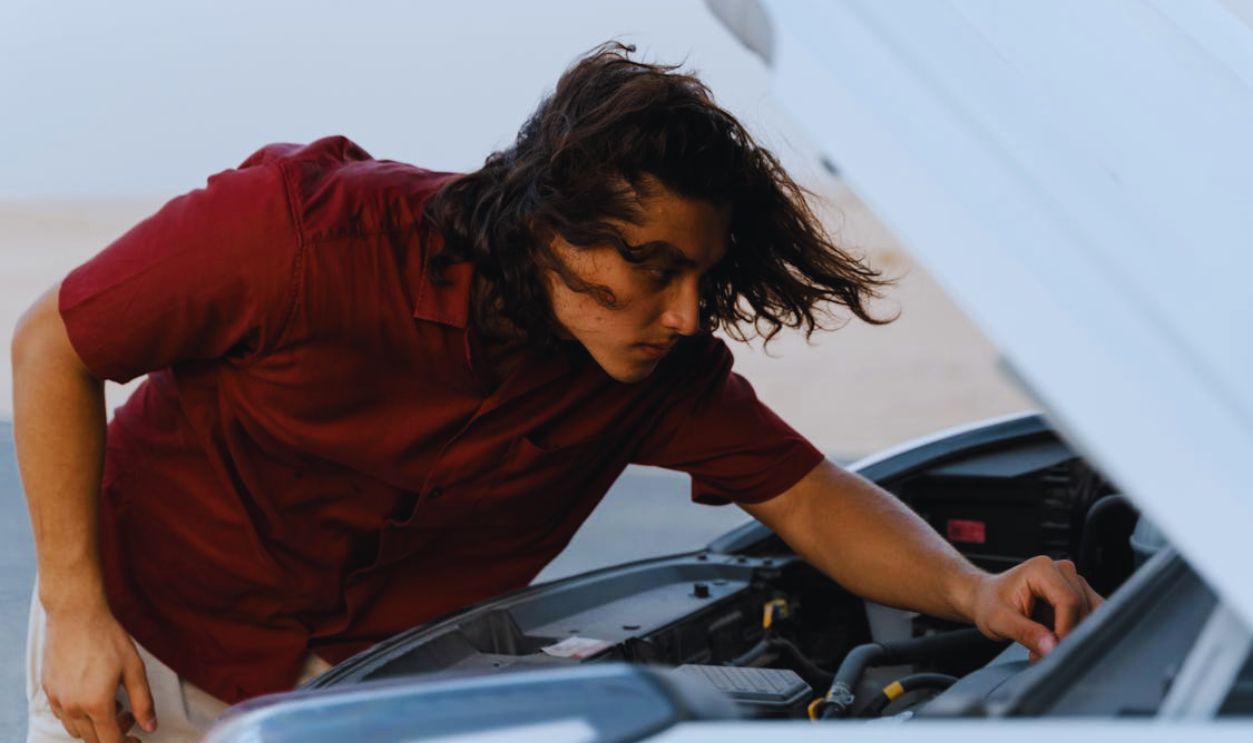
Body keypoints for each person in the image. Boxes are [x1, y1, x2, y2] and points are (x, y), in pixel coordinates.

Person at [12, 43, 1101, 743]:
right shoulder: (294, 235)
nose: (686, 314)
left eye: (700, 275)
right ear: (549, 225)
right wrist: (76, 611)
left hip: (361, 694)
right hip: (135, 640)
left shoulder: (650, 373)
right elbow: (54, 341)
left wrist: (973, 593)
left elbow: (808, 495)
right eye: (653, 268)